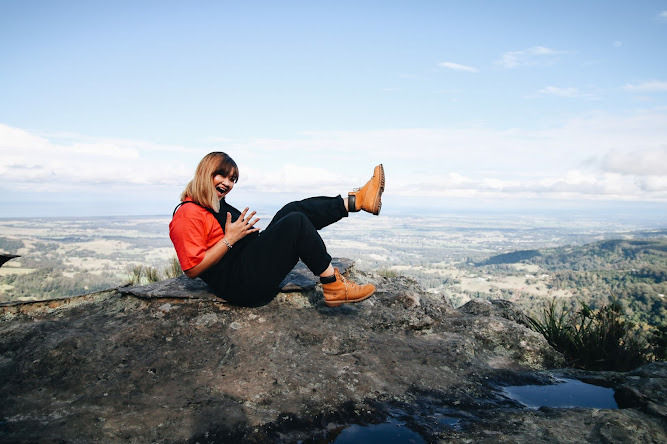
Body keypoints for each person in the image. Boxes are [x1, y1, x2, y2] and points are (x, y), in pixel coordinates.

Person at [169, 152, 385, 307]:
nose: (228, 183)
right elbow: (192, 270)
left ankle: (357, 201)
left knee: (292, 210)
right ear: (206, 173)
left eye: (232, 179)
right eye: (222, 175)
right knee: (295, 222)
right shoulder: (188, 214)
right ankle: (333, 286)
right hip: (242, 285)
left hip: (248, 266)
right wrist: (229, 239)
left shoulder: (212, 204)